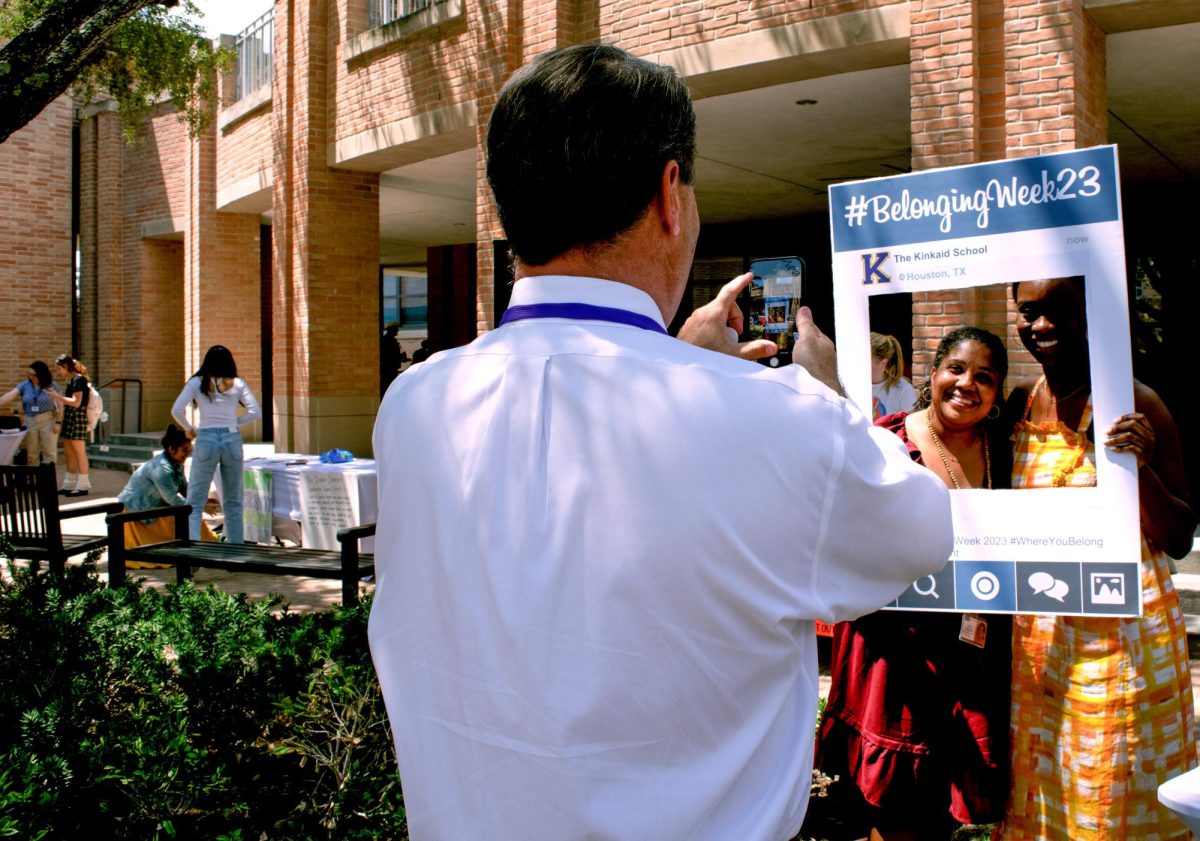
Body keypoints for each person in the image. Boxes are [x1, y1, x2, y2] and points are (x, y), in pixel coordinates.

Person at [369, 44, 954, 841]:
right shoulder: (778, 418)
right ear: (669, 193)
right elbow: (921, 528)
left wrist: (682, 368)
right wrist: (829, 399)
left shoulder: (413, 406)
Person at [999, 276, 1197, 840]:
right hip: (1044, 638)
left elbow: (1180, 535)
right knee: (1050, 780)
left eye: (1059, 310)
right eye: (1028, 311)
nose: (1040, 326)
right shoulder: (1017, 404)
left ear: (1094, 314)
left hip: (1123, 642)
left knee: (1114, 779)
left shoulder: (1133, 400)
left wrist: (1138, 468)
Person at [816, 326, 1012, 841]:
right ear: (933, 372)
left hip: (968, 654)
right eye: (957, 369)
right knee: (894, 808)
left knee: (941, 805)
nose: (967, 384)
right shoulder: (887, 440)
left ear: (996, 393)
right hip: (895, 648)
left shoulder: (1005, 452)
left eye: (984, 377)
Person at [170, 345, 261, 544]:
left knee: (195, 500)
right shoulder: (237, 383)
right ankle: (235, 551)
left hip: (206, 438)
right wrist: (236, 421)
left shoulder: (196, 383)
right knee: (233, 501)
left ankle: (194, 553)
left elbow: (176, 409)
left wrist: (189, 428)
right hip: (231, 438)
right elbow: (256, 412)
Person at [118, 424, 217, 567]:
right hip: (137, 511)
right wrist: (201, 506)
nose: (187, 454)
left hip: (155, 507)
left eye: (189, 451)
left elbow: (185, 489)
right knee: (188, 513)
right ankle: (192, 551)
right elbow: (172, 498)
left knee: (191, 514)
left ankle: (203, 546)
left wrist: (203, 500)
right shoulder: (161, 469)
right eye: (184, 451)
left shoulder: (177, 464)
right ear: (171, 449)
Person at [0, 361, 62, 466]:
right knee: (32, 454)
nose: (30, 377)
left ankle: (49, 480)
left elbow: (60, 405)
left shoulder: (52, 386)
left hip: (48, 420)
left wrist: (58, 423)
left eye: (33, 375)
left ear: (41, 374)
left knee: (49, 453)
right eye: (29, 374)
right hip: (30, 421)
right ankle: (35, 480)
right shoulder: (25, 385)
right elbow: (10, 395)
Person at [46, 354, 91, 495]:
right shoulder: (72, 380)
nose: (58, 372)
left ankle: (83, 485)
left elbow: (76, 402)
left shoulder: (78, 380)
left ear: (65, 366)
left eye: (59, 368)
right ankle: (69, 484)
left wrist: (56, 396)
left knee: (79, 453)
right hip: (70, 416)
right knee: (69, 453)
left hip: (77, 416)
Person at [870, 332, 918, 421]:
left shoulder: (903, 389)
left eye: (866, 360)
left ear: (883, 364)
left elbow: (912, 425)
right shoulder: (853, 385)